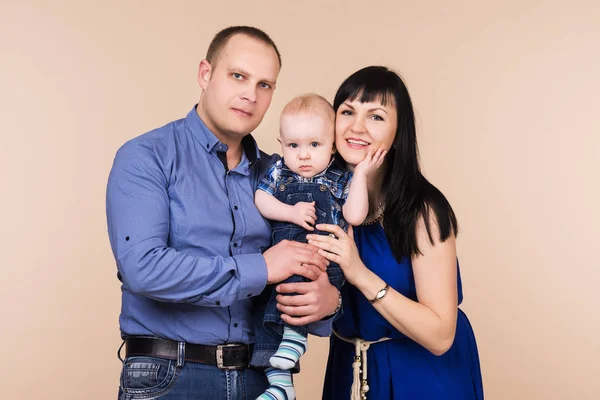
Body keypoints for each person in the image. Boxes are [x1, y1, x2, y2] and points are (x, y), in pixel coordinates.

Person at [106, 26, 340, 400]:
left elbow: (313, 255)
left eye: (265, 85)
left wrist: (328, 301)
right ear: (205, 74)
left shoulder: (280, 175)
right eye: (238, 76)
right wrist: (262, 267)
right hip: (170, 376)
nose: (250, 94)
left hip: (259, 379)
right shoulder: (146, 156)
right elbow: (143, 268)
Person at [279, 66, 484, 399]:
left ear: (398, 131)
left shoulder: (424, 211)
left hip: (422, 378)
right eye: (347, 111)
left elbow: (441, 335)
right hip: (349, 369)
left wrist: (359, 273)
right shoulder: (317, 197)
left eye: (375, 117)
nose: (356, 127)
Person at [249, 93, 385, 400]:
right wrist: (290, 213)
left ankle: (295, 341)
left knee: (296, 292)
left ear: (332, 146)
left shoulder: (339, 178)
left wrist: (361, 175)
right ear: (281, 143)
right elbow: (261, 199)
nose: (304, 155)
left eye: (315, 144)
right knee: (267, 307)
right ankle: (280, 384)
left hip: (323, 261)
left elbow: (354, 214)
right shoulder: (279, 171)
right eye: (293, 145)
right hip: (284, 261)